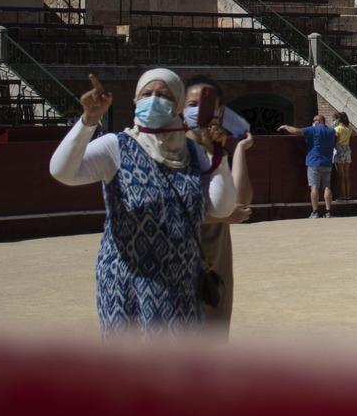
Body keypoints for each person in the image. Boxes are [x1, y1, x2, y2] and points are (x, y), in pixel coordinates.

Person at [50, 70, 243, 333]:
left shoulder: (193, 153)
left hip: (180, 283)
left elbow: (221, 206)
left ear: (176, 104)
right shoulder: (116, 146)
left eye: (163, 95)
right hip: (126, 282)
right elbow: (63, 171)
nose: (154, 100)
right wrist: (88, 120)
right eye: (147, 94)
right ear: (135, 100)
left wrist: (215, 151)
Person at [186, 76, 253, 335]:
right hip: (181, 256)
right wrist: (222, 217)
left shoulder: (216, 151)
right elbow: (170, 208)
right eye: (193, 103)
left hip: (216, 259)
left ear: (220, 112)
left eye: (207, 104)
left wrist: (240, 150)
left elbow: (242, 202)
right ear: (181, 108)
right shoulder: (174, 149)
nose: (199, 110)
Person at [280, 113, 338, 218]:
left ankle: (315, 212)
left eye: (313, 121)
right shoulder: (331, 131)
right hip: (327, 162)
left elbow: (296, 131)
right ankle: (328, 212)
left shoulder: (313, 129)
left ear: (317, 121)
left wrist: (285, 126)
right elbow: (337, 137)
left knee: (314, 187)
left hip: (314, 161)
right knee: (327, 187)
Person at [331, 112, 354, 208]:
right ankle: (348, 195)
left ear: (338, 119)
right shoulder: (349, 128)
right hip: (347, 149)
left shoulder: (337, 129)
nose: (333, 121)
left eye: (334, 119)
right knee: (347, 175)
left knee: (341, 175)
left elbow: (336, 140)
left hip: (339, 149)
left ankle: (343, 196)